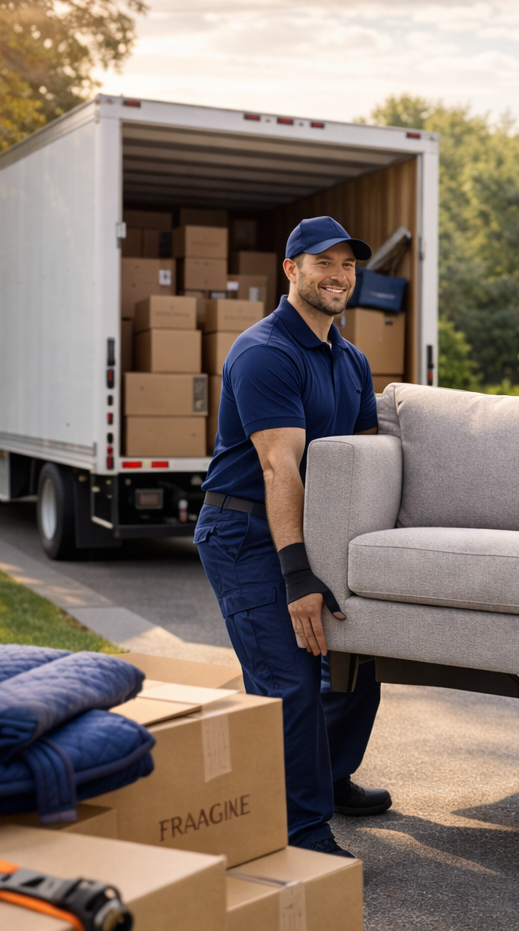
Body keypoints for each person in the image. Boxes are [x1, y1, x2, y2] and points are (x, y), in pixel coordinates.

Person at [195, 216, 391, 858]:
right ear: (291, 271)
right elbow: (281, 467)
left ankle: (328, 782)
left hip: (310, 527)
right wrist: (299, 576)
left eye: (347, 265)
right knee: (289, 681)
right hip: (245, 529)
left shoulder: (351, 358)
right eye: (323, 263)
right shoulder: (265, 352)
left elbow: (364, 460)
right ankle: (299, 830)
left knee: (355, 670)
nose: (338, 276)